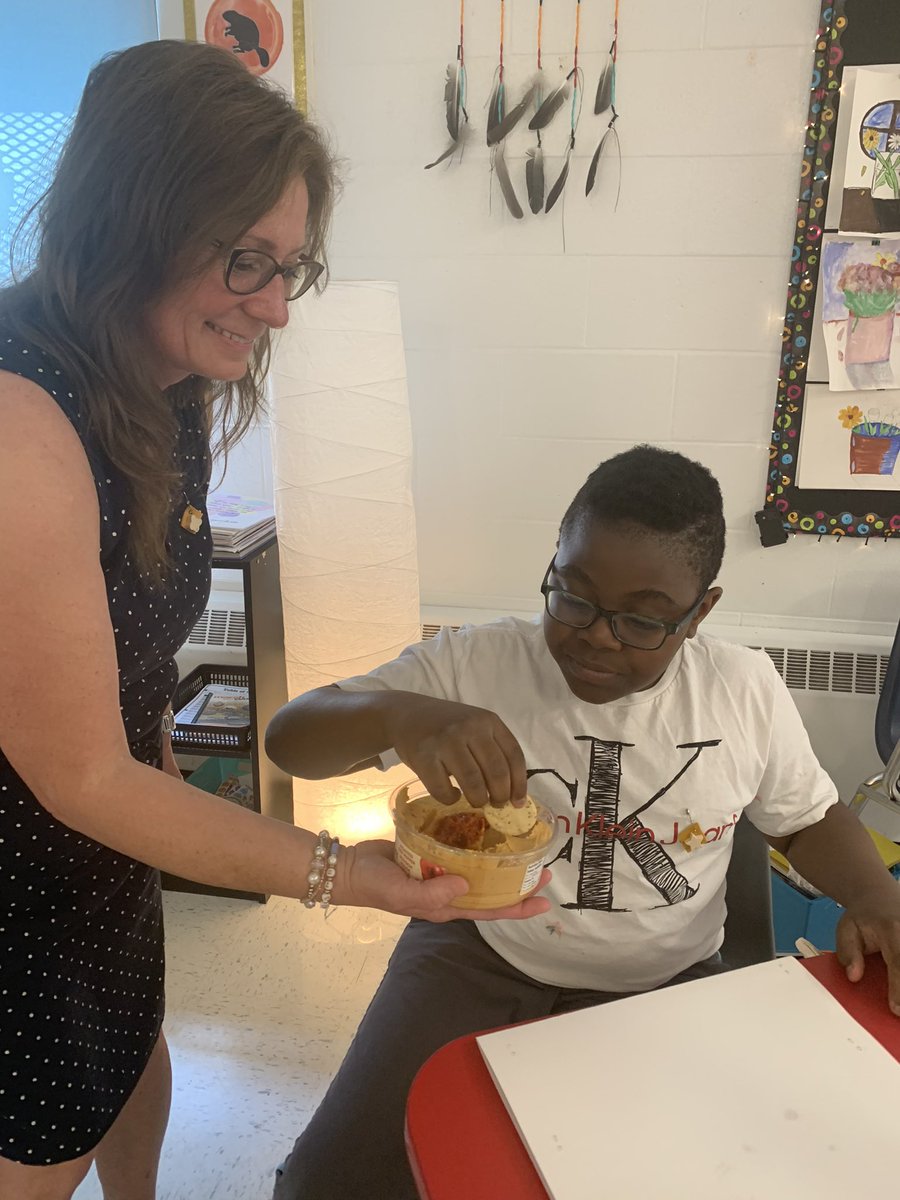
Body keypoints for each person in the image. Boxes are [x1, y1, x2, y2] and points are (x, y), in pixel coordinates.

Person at [0, 40, 549, 1200]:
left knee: (131, 1059)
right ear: (124, 223)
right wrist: (346, 874)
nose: (275, 311)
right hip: (16, 878)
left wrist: (153, 835)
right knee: (41, 1134)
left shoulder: (162, 384)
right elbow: (79, 773)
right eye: (244, 260)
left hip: (98, 856)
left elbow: (126, 693)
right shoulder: (18, 419)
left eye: (287, 269)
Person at [265, 445, 900, 1200]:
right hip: (480, 950)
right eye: (572, 598)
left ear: (700, 614)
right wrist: (403, 712)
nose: (598, 635)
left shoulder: (741, 688)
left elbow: (805, 819)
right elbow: (290, 741)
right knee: (331, 1181)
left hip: (664, 978)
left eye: (642, 620)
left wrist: (876, 899)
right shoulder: (477, 665)